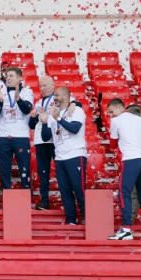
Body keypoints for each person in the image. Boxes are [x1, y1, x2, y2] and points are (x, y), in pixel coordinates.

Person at [106, 98, 141, 241]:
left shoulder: (116, 121)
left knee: (124, 193)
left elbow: (112, 145)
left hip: (131, 160)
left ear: (120, 108)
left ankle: (126, 229)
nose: (110, 115)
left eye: (111, 112)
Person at [42, 87, 87, 225]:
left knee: (79, 188)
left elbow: (74, 129)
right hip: (60, 157)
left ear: (66, 96)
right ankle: (71, 220)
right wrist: (44, 123)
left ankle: (87, 217)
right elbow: (46, 137)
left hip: (75, 154)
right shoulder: (53, 114)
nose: (54, 98)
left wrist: (58, 118)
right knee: (65, 191)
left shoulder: (76, 110)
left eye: (57, 95)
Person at [0, 67, 34, 190]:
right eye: (7, 76)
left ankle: (26, 193)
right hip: (3, 135)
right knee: (4, 168)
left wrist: (18, 99)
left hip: (21, 135)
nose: (8, 78)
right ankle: (6, 192)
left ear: (19, 78)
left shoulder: (27, 92)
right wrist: (0, 101)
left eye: (11, 76)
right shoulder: (1, 92)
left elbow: (27, 109)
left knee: (24, 168)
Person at [27, 76, 56, 210]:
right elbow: (32, 125)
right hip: (40, 141)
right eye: (41, 86)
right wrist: (33, 117)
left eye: (45, 85)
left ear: (53, 85)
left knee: (61, 171)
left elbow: (74, 103)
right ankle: (44, 201)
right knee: (43, 172)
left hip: (55, 140)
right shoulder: (39, 103)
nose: (42, 88)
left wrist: (74, 104)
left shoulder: (58, 98)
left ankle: (68, 200)